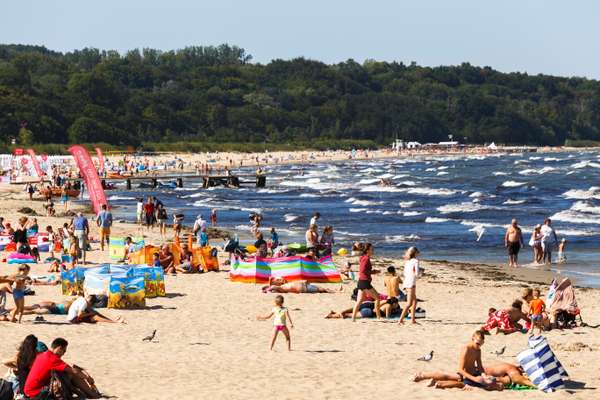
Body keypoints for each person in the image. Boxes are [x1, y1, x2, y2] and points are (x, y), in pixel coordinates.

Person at [412, 330, 503, 390]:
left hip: (473, 373)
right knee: (456, 381)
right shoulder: (466, 349)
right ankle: (427, 378)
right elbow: (460, 369)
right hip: (465, 375)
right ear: (472, 339)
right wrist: (475, 379)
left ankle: (428, 378)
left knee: (490, 381)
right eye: (477, 343)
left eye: (481, 344)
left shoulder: (478, 350)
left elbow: (480, 366)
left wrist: (483, 375)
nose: (479, 345)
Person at [23, 337, 101, 399]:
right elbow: (73, 371)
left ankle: (88, 393)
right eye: (64, 351)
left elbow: (69, 365)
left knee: (68, 373)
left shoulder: (44, 355)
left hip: (29, 391)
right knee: (72, 374)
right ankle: (92, 394)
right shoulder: (52, 359)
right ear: (59, 348)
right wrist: (88, 378)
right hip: (36, 393)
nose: (63, 354)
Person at [351, 243, 381, 321]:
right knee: (377, 298)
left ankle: (353, 318)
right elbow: (363, 270)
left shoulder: (362, 257)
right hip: (365, 282)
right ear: (367, 250)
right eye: (372, 249)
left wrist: (372, 272)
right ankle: (379, 317)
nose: (373, 250)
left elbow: (363, 270)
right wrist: (373, 272)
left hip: (361, 281)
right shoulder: (366, 258)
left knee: (359, 301)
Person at [398, 247, 420, 325]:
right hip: (411, 283)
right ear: (416, 253)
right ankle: (400, 320)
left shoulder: (407, 261)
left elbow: (405, 273)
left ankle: (412, 320)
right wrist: (421, 273)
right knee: (409, 303)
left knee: (415, 301)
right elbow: (417, 274)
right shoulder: (416, 261)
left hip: (406, 282)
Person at [262, 277, 339, 293]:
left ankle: (335, 290)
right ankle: (335, 291)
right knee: (321, 289)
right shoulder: (281, 288)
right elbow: (272, 287)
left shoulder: (283, 286)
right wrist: (266, 290)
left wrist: (266, 288)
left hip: (303, 286)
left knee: (320, 288)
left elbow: (272, 287)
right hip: (303, 288)